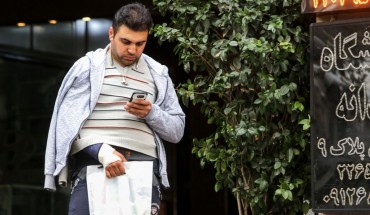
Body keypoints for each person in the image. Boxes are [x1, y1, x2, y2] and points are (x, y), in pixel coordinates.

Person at [43, 3, 186, 215]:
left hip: (144, 168)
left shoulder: (158, 73)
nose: (132, 50)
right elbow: (65, 125)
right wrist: (101, 152)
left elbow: (176, 131)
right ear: (111, 33)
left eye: (140, 43)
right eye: (125, 41)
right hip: (93, 163)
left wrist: (151, 113)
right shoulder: (87, 67)